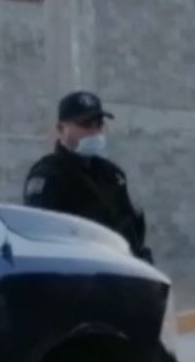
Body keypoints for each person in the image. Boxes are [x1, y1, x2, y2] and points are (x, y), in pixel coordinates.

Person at [24, 91, 154, 263]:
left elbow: (129, 229)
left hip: (121, 272)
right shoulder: (48, 176)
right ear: (61, 129)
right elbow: (45, 240)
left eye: (98, 124)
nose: (94, 131)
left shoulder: (112, 174)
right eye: (85, 124)